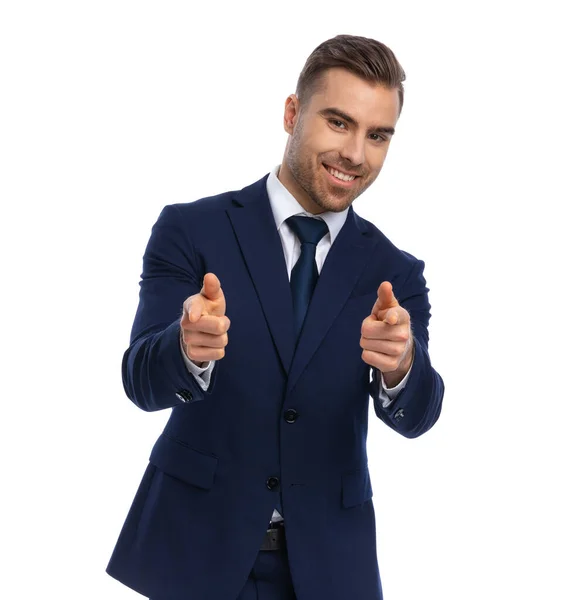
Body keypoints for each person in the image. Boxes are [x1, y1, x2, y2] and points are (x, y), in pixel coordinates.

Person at [106, 34, 444, 600]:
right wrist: (185, 348)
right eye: (338, 123)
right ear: (292, 113)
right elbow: (140, 380)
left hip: (331, 568)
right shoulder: (191, 229)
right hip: (195, 555)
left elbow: (420, 414)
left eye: (377, 135)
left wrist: (401, 367)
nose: (356, 154)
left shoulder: (395, 273)